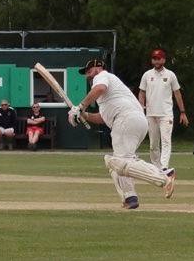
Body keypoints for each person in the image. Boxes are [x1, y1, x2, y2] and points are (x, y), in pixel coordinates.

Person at [69, 59, 175, 209]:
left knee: (119, 161)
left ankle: (164, 175)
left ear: (99, 68)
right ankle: (130, 197)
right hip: (135, 121)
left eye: (89, 71)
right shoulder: (110, 92)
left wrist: (80, 107)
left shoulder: (103, 77)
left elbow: (99, 88)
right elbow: (103, 118)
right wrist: (85, 115)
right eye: (86, 73)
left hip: (126, 119)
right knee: (116, 162)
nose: (87, 75)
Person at [137, 49, 187, 170]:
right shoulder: (147, 75)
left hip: (166, 114)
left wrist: (182, 112)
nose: (156, 61)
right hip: (151, 113)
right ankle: (156, 167)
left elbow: (177, 94)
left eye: (159, 58)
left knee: (165, 141)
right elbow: (142, 93)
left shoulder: (170, 75)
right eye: (154, 58)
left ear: (164, 60)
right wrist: (140, 109)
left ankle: (164, 166)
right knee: (153, 143)